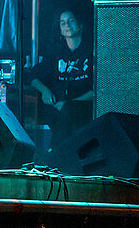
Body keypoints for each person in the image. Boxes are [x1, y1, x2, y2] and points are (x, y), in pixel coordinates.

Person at [29, 9, 93, 151]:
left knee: (68, 111)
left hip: (83, 106)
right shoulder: (56, 53)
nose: (67, 25)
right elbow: (33, 76)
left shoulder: (92, 51)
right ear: (60, 29)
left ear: (80, 25)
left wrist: (69, 103)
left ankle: (55, 152)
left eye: (71, 20)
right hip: (58, 108)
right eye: (62, 22)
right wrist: (45, 90)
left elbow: (98, 91)